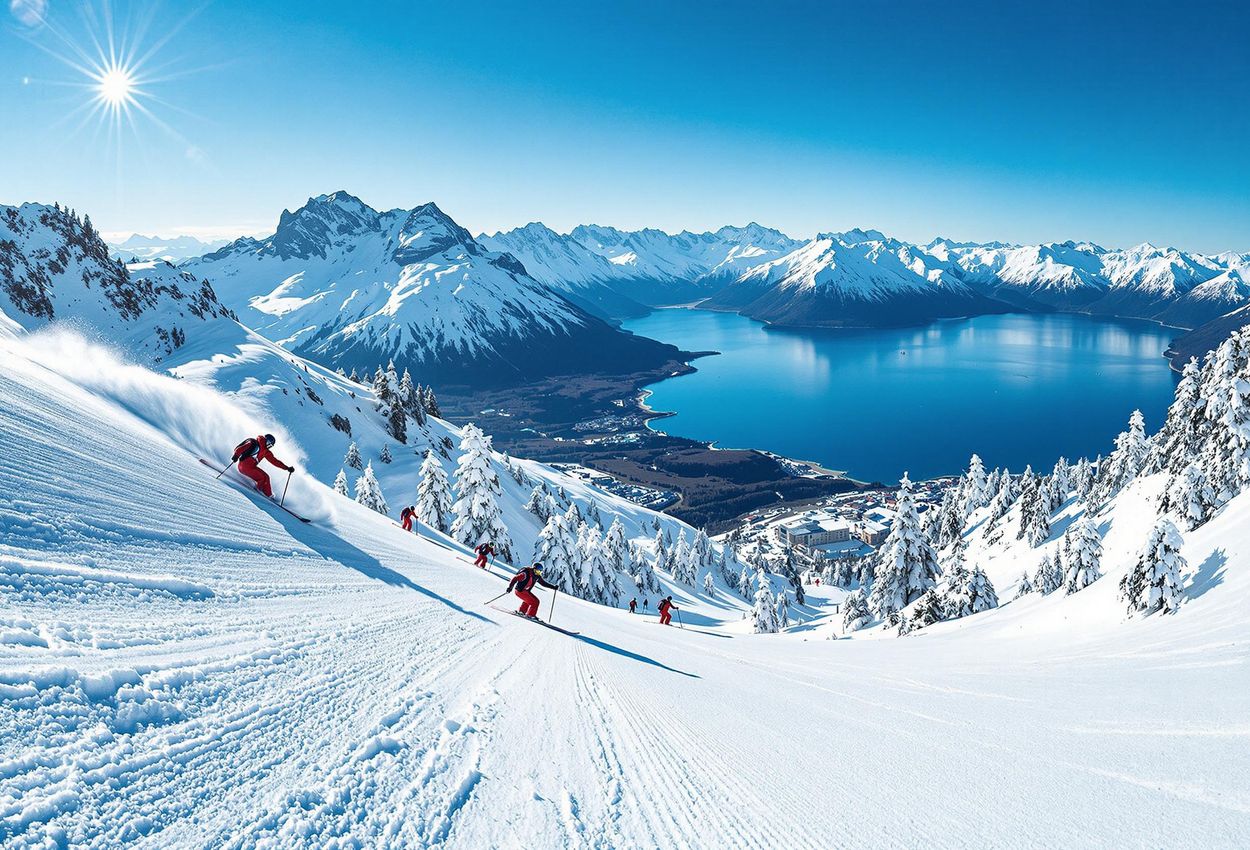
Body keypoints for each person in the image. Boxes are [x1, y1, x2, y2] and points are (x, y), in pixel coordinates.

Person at [232, 434, 293, 499]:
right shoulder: (255, 443)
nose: (269, 446)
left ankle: (269, 495)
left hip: (251, 467)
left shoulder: (266, 451)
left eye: (271, 445)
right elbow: (241, 448)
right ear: (266, 440)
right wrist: (236, 455)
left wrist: (287, 468)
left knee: (266, 477)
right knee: (261, 478)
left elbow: (275, 461)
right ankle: (258, 491)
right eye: (269, 443)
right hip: (244, 466)